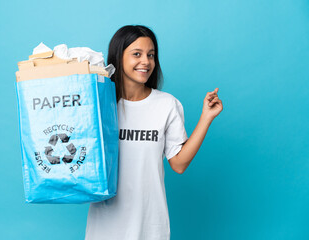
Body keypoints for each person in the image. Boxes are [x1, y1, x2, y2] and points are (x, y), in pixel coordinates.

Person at [85, 25, 223, 240]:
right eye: (136, 54)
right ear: (118, 57)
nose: (146, 62)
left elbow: (178, 164)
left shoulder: (167, 104)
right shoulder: (100, 104)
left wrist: (206, 117)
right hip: (106, 224)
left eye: (151, 55)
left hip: (150, 224)